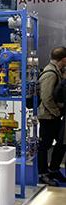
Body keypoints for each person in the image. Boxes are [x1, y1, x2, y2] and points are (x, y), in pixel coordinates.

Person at [37, 47, 66, 185]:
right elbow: (46, 97)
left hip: (53, 116)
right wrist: (56, 112)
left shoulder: (56, 71)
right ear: (64, 59)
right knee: (44, 146)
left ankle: (53, 169)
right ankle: (43, 174)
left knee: (61, 144)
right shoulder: (50, 73)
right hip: (47, 116)